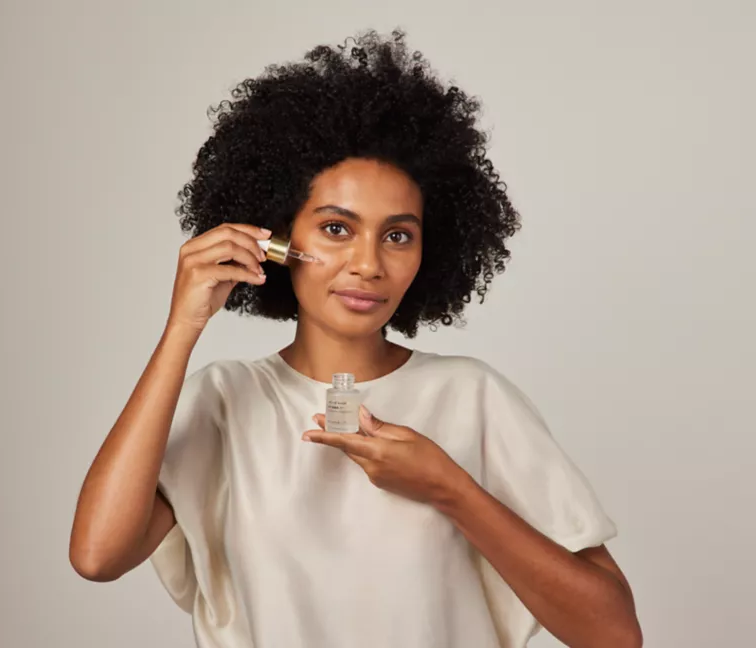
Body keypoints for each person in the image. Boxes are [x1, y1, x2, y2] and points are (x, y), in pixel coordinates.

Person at [69, 29, 642, 648]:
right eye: (337, 228)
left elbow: (613, 633)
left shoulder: (471, 397)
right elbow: (98, 556)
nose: (368, 263)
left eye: (397, 235)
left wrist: (449, 489)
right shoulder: (225, 402)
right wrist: (183, 327)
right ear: (280, 239)